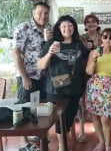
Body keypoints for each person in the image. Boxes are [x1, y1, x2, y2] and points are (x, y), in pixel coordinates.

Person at [37, 15, 88, 151]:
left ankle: (63, 145)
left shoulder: (79, 44)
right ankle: (62, 147)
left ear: (74, 28)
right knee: (60, 118)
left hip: (75, 88)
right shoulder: (51, 43)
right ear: (59, 28)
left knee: (69, 118)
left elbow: (85, 63)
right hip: (55, 89)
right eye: (64, 26)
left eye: (70, 26)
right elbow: (41, 65)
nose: (67, 28)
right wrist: (49, 54)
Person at [12, 1, 51, 151]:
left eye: (46, 13)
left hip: (44, 76)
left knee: (40, 108)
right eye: (40, 13)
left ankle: (37, 136)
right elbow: (16, 53)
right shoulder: (23, 28)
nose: (43, 16)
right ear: (33, 13)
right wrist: (25, 77)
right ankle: (24, 143)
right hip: (28, 76)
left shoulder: (49, 29)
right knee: (24, 107)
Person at [86, 28, 111, 151]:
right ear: (101, 38)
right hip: (93, 88)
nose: (108, 39)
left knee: (106, 119)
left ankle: (108, 145)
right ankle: (101, 142)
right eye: (105, 36)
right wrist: (93, 60)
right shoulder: (93, 52)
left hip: (108, 89)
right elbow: (89, 71)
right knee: (94, 117)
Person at [74, 14, 102, 143]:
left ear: (97, 23)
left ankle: (102, 133)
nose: (91, 24)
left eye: (94, 21)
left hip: (101, 73)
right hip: (85, 72)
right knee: (83, 102)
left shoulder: (104, 36)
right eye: (88, 22)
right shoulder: (81, 38)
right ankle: (81, 131)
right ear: (85, 25)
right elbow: (78, 56)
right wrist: (87, 50)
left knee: (102, 102)